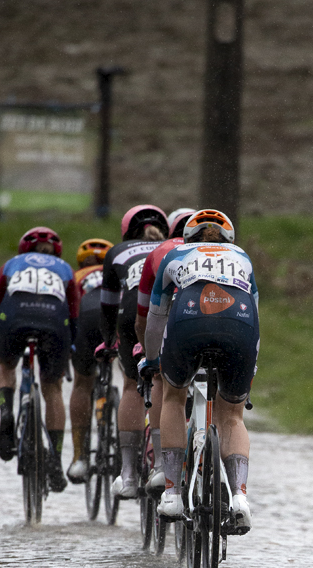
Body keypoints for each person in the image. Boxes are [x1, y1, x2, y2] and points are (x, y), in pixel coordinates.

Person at [141, 208, 258, 532]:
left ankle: (172, 494)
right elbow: (256, 314)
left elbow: (155, 318)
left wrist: (151, 360)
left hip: (188, 321)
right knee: (232, 414)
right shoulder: (242, 257)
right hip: (240, 325)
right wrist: (252, 365)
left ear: (188, 236)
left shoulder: (175, 254)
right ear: (228, 238)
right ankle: (239, 497)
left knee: (174, 397)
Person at [0, 225, 79, 492]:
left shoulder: (12, 264)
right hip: (54, 324)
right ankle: (55, 458)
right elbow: (74, 313)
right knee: (53, 387)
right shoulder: (65, 269)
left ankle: (6, 412)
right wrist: (71, 344)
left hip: (13, 321)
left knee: (5, 365)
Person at [95, 204, 169, 498]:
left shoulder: (117, 252)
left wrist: (108, 341)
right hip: (164, 312)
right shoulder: (171, 248)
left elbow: (108, 305)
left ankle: (127, 475)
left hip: (129, 314)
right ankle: (163, 464)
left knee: (131, 385)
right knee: (164, 382)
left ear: (126, 231)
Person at [133, 207, 195, 491]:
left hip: (169, 316)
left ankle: (160, 465)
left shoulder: (162, 251)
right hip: (216, 318)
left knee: (162, 381)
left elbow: (145, 316)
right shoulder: (224, 252)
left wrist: (151, 357)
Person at [66, 238, 113, 482]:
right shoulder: (118, 271)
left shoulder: (75, 276)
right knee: (133, 381)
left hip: (86, 316)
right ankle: (135, 456)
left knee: (82, 384)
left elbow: (66, 312)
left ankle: (79, 458)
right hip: (114, 316)